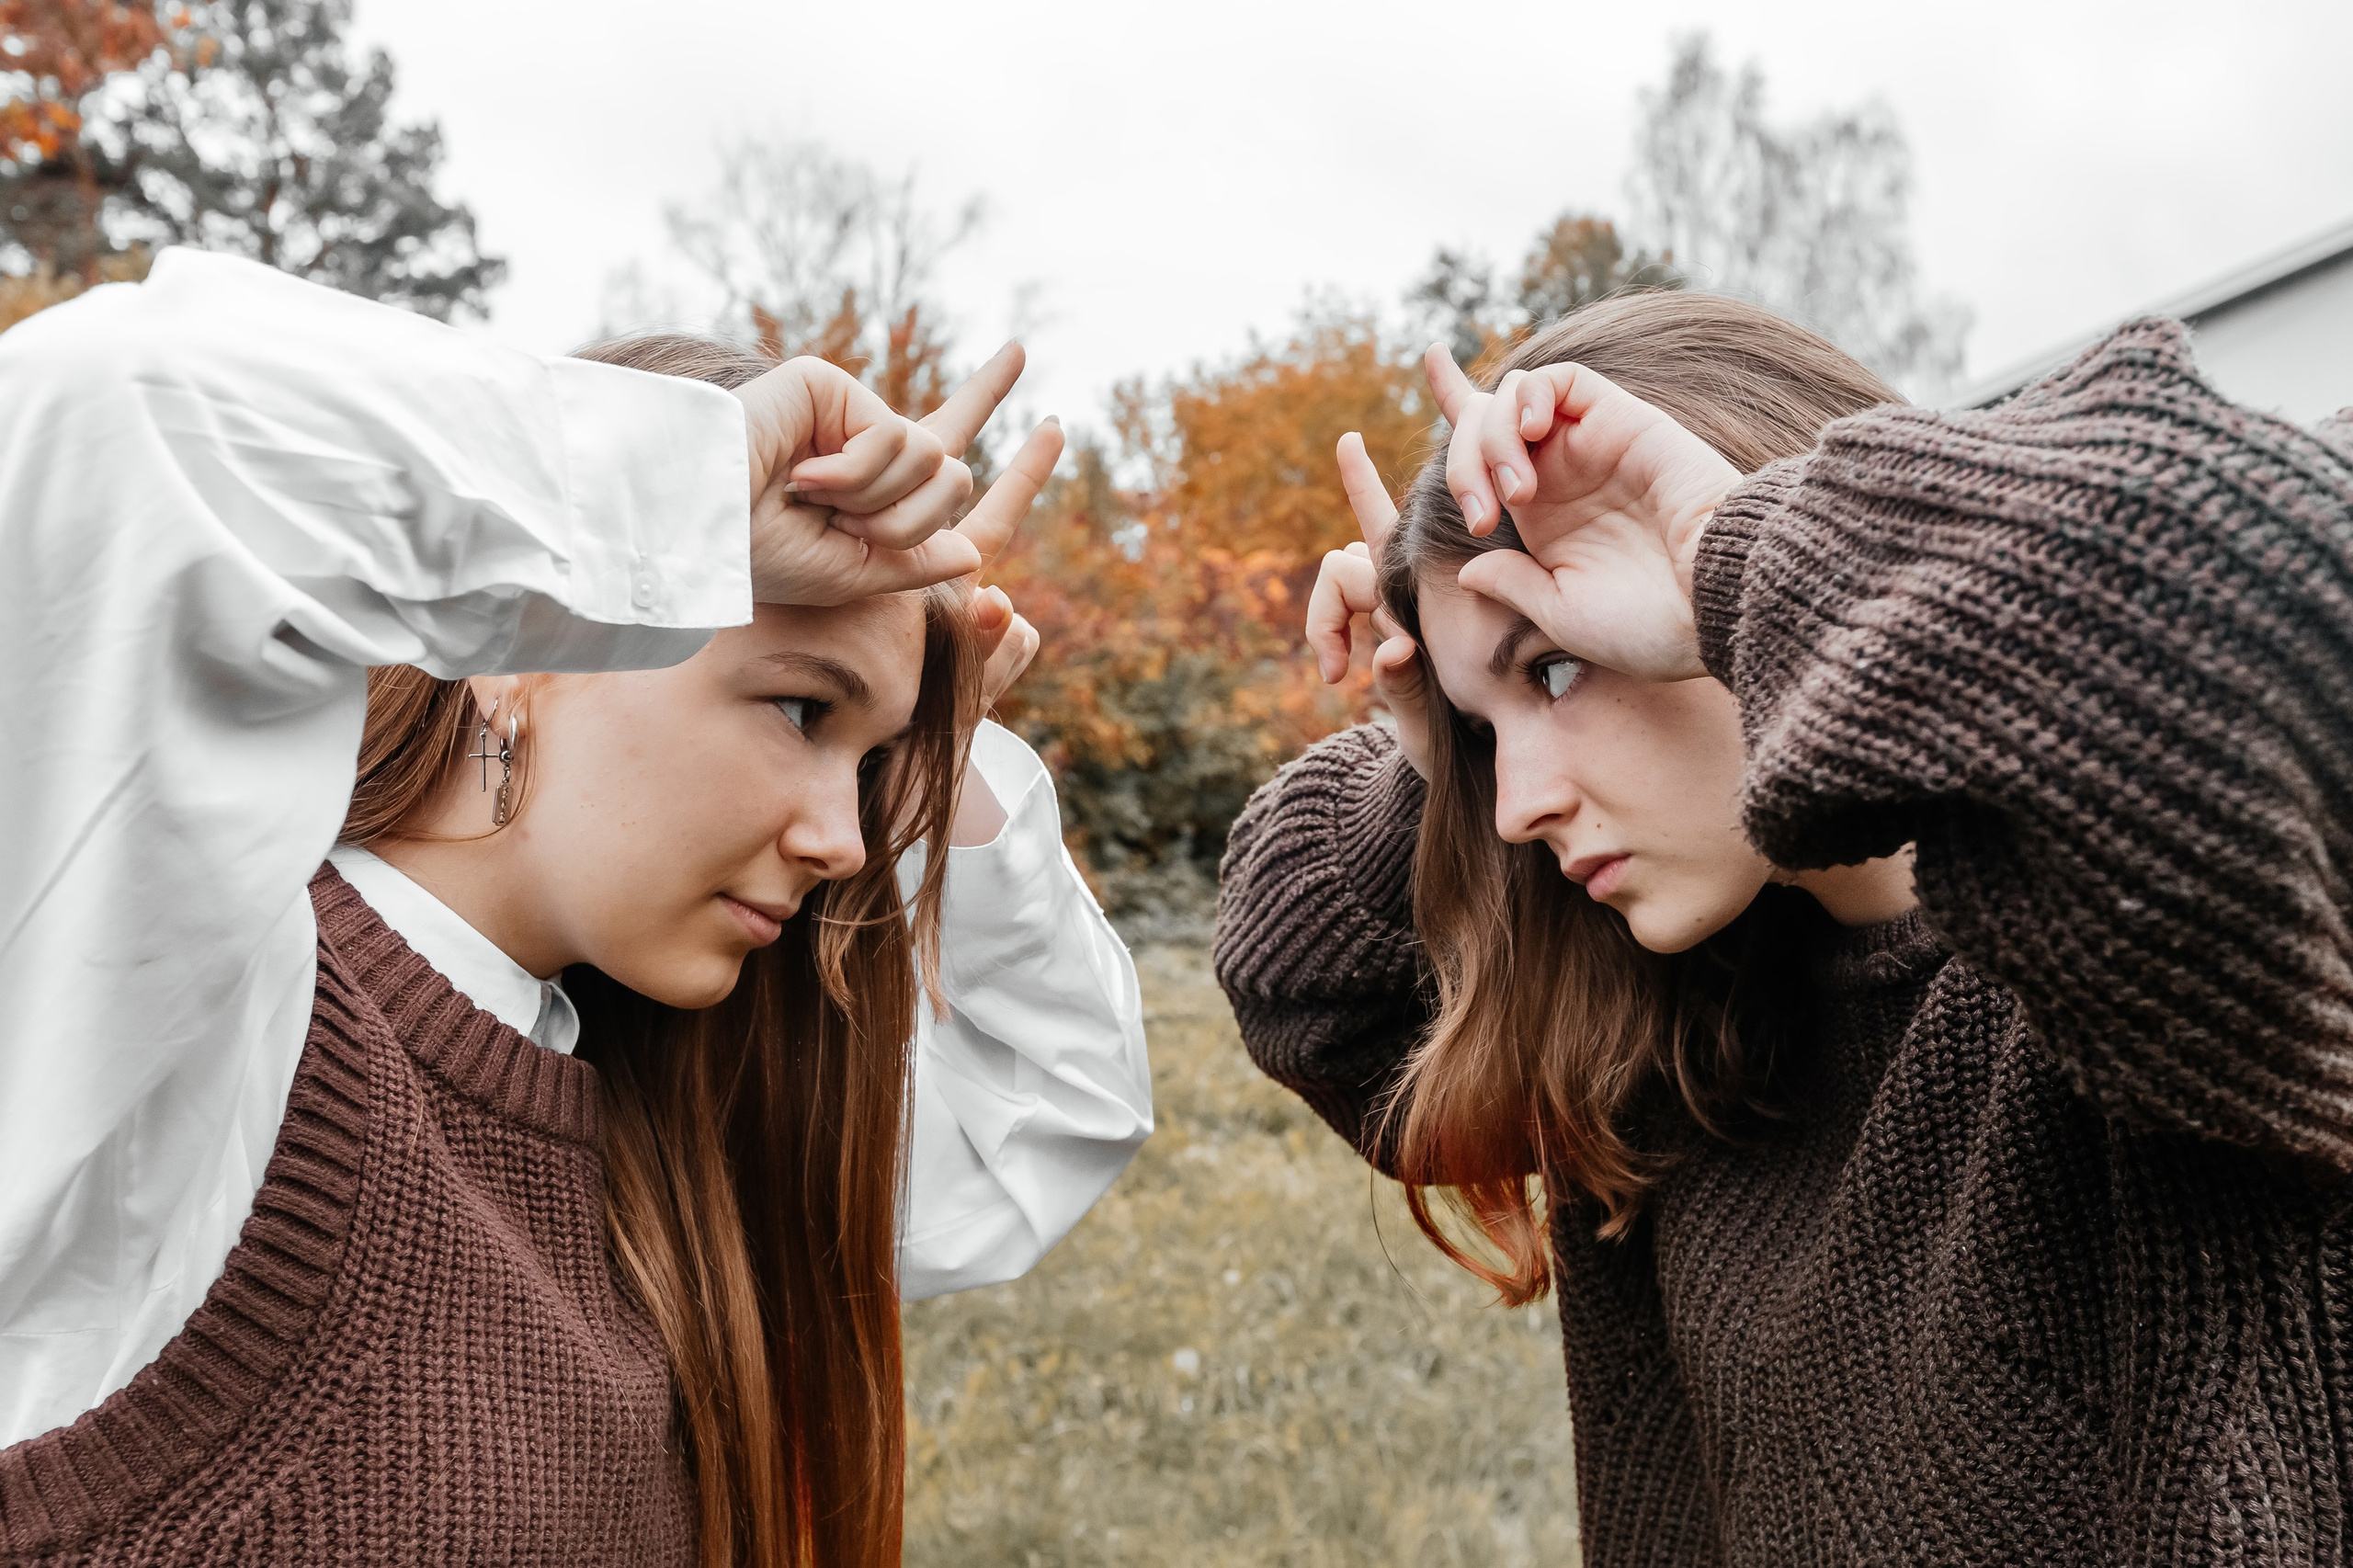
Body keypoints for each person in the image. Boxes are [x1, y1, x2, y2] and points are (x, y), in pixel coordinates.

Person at [0, 250, 1148, 1567]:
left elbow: (1047, 1112)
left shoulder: (652, 1111)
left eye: (871, 766)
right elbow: (108, 420)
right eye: (799, 708)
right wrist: (655, 492)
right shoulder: (199, 1039)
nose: (844, 839)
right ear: (530, 644)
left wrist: (931, 737)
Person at [1216, 289, 2353, 1565]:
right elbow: (1303, 988)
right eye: (1490, 734)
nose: (1522, 803)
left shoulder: (2137, 971)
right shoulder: (1676, 1014)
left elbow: (2285, 587)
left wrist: (1730, 542)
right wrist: (1436, 755)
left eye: (1557, 665)